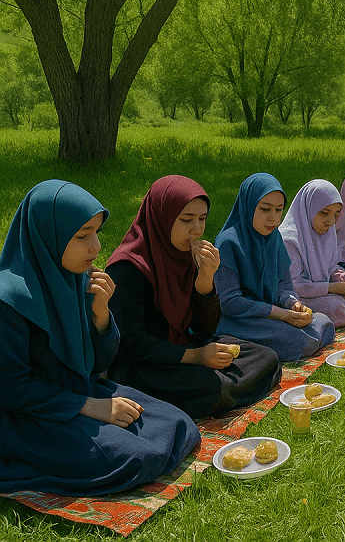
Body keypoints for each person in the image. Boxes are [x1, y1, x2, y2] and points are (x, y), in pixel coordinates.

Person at [0, 180, 199, 496]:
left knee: (179, 424)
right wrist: (88, 406)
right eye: (81, 236)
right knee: (136, 457)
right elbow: (10, 388)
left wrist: (101, 316)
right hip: (29, 416)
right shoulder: (9, 300)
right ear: (47, 236)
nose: (95, 247)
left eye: (96, 233)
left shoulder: (77, 279)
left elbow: (99, 364)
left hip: (81, 389)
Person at [106, 175, 281, 419]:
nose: (197, 230)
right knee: (214, 389)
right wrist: (196, 357)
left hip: (184, 343)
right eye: (187, 220)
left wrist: (205, 282)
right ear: (162, 218)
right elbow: (131, 343)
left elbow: (205, 328)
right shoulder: (127, 268)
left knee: (267, 357)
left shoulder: (187, 256)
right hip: (144, 365)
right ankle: (222, 392)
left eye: (202, 219)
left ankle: (224, 391)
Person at [214, 173, 335, 362]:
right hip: (240, 321)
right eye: (265, 209)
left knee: (324, 322)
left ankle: (298, 339)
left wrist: (292, 304)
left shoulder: (274, 238)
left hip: (273, 318)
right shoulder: (227, 243)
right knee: (295, 339)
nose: (273, 218)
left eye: (279, 210)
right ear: (248, 206)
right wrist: (280, 314)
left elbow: (283, 286)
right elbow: (230, 303)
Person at [280, 179, 345, 328]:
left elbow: (331, 266)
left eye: (336, 215)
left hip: (323, 291)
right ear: (309, 209)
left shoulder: (328, 231)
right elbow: (294, 286)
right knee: (338, 307)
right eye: (324, 213)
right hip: (299, 297)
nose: (330, 221)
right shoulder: (289, 240)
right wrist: (337, 288)